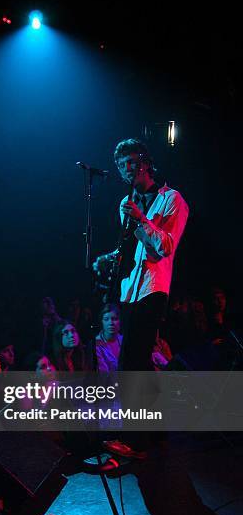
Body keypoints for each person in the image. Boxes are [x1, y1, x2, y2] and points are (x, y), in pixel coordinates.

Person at [93, 138, 189, 461]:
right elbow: (132, 251)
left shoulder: (172, 200)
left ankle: (134, 441)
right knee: (140, 364)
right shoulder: (126, 202)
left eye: (131, 162)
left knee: (130, 363)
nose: (126, 169)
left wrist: (141, 219)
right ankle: (155, 432)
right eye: (121, 165)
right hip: (130, 291)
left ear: (146, 162)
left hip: (154, 290)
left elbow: (164, 246)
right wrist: (110, 258)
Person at [96, 304, 123, 372]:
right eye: (106, 319)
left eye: (114, 319)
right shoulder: (97, 344)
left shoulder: (123, 340)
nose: (111, 323)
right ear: (101, 322)